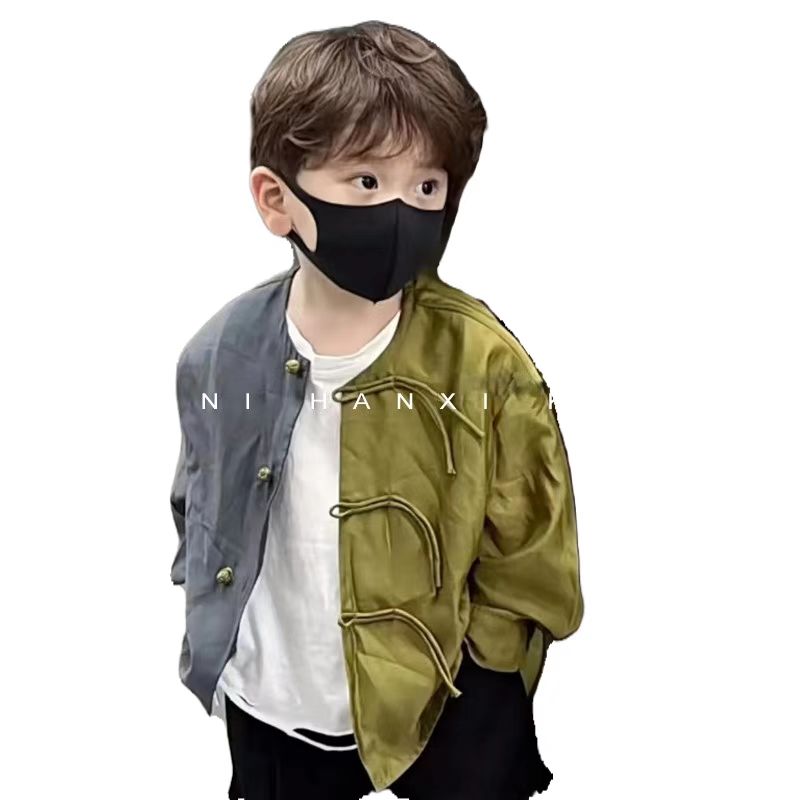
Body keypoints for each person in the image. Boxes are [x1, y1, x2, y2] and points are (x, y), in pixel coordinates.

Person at [169, 19, 584, 800]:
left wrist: (489, 676)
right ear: (277, 199)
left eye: (427, 187)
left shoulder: (486, 364)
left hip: (443, 699)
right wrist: (207, 606)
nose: (401, 209)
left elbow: (533, 550)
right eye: (366, 181)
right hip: (274, 703)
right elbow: (199, 496)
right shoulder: (220, 354)